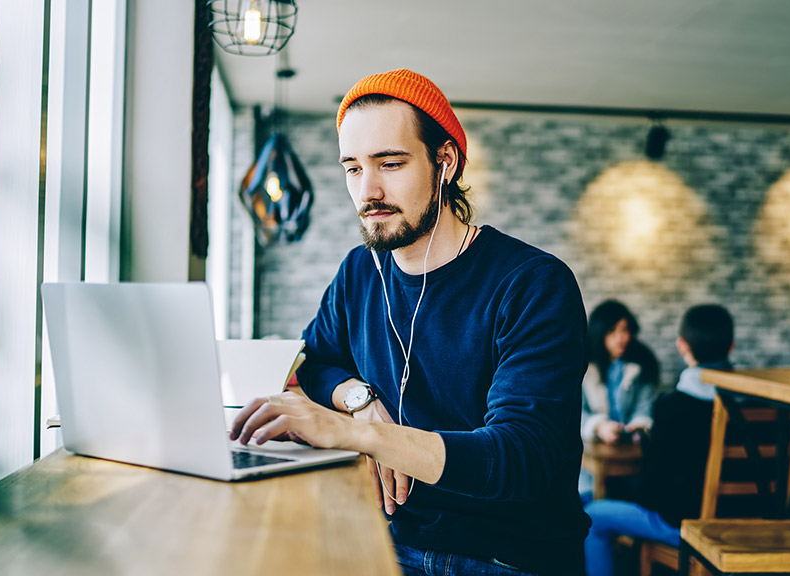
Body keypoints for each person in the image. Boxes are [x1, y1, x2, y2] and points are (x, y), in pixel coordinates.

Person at [230, 69, 590, 576]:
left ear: (444, 162)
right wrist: (359, 400)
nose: (368, 190)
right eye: (352, 168)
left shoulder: (532, 283)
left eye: (390, 163)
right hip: (386, 538)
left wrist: (362, 436)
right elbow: (315, 362)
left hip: (504, 556)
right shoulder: (360, 271)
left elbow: (522, 456)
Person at [583, 304, 735, 576]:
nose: (623, 337)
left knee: (592, 517)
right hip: (750, 521)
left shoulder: (671, 407)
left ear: (682, 346)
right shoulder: (759, 403)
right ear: (732, 347)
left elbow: (653, 493)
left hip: (687, 526)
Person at [579, 300, 660, 500]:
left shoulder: (642, 364)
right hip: (590, 453)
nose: (621, 337)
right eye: (613, 331)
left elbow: (645, 407)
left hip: (630, 452)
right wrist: (599, 426)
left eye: (625, 330)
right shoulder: (582, 366)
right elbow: (574, 412)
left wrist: (638, 426)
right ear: (599, 333)